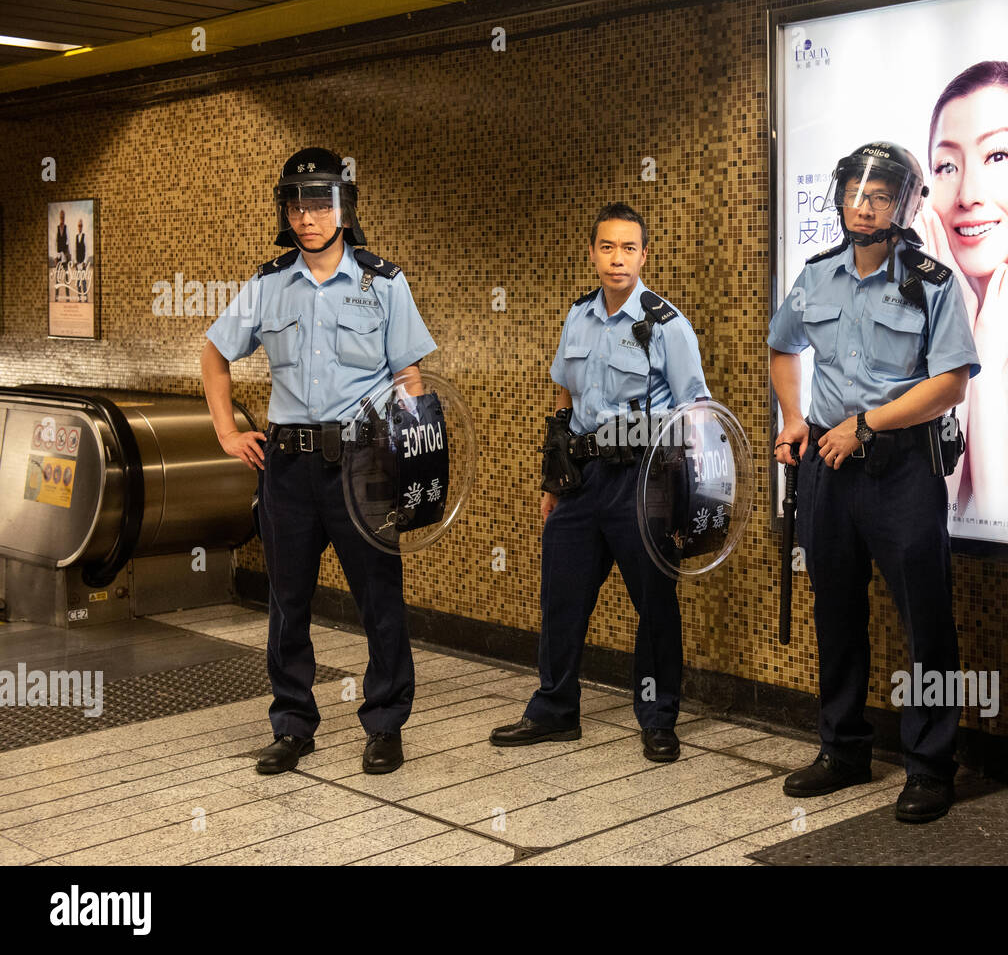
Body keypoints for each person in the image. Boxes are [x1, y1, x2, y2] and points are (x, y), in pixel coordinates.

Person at [201, 147, 436, 775]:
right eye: (296, 204)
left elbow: (409, 377)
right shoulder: (267, 285)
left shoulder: (383, 282)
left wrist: (417, 457)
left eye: (320, 202)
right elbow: (214, 354)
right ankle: (292, 724)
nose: (307, 217)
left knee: (379, 597)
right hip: (287, 466)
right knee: (287, 598)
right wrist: (227, 431)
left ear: (345, 208)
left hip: (364, 461)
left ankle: (385, 723)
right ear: (285, 211)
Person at [769, 143, 980, 822]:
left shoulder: (932, 281)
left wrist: (867, 423)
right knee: (836, 610)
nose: (863, 206)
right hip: (829, 469)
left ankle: (929, 765)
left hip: (903, 470)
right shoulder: (817, 276)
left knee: (926, 622)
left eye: (880, 195)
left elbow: (949, 384)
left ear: (905, 204)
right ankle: (843, 748)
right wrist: (796, 417)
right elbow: (782, 345)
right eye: (854, 193)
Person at [490, 202, 709, 763]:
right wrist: (553, 479)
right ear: (592, 253)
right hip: (583, 480)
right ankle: (554, 709)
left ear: (644, 255)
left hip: (644, 479)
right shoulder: (578, 316)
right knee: (561, 598)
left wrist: (690, 492)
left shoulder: (665, 323)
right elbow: (564, 395)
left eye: (629, 248)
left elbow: (696, 410)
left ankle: (658, 718)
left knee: (654, 604)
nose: (618, 259)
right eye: (607, 247)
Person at [915, 60, 1008, 541]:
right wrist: (954, 331)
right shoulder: (900, 340)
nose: (968, 194)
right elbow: (914, 530)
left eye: (997, 156)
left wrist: (976, 369)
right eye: (947, 166)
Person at [53, 210, 69, 302]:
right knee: (57, 278)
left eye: (63, 217)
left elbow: (68, 242)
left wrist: (67, 255)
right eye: (61, 217)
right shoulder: (57, 228)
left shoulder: (67, 228)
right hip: (58, 257)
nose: (62, 218)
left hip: (65, 257)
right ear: (59, 217)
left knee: (66, 278)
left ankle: (67, 298)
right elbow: (55, 243)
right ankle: (56, 298)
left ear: (65, 217)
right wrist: (55, 256)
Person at [74, 219, 87, 302]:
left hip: (82, 263)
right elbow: (75, 250)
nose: (80, 227)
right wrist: (75, 261)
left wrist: (85, 261)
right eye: (79, 225)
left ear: (82, 226)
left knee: (84, 282)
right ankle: (79, 299)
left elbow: (87, 249)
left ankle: (85, 298)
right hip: (77, 262)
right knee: (78, 281)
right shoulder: (76, 236)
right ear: (77, 227)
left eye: (81, 225)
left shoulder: (85, 236)